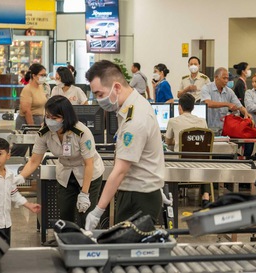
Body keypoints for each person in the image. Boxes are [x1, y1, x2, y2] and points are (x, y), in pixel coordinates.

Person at [84, 60, 165, 230]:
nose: (99, 100)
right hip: (140, 192)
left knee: (130, 252)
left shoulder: (134, 119)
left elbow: (121, 170)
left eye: (100, 94)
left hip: (138, 197)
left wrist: (98, 210)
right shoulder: (133, 106)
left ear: (117, 88)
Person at [18, 95, 105, 227]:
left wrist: (84, 193)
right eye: (47, 117)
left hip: (88, 175)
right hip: (65, 173)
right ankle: (68, 242)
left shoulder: (81, 132)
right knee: (65, 214)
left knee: (86, 216)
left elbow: (89, 164)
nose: (50, 121)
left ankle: (89, 243)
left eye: (55, 118)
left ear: (66, 116)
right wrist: (20, 177)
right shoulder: (45, 132)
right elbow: (34, 161)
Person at [0, 138, 41, 245]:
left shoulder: (9, 175)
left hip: (6, 222)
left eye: (0, 153)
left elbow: (14, 194)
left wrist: (28, 205)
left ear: (8, 156)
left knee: (5, 248)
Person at [165, 93, 210, 206]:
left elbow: (167, 141)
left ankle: (170, 196)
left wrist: (178, 140)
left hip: (180, 162)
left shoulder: (173, 121)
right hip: (199, 162)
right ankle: (206, 196)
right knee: (204, 162)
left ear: (179, 106)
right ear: (193, 107)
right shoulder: (202, 121)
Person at [12, 63, 48, 156]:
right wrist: (31, 127)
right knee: (20, 148)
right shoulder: (27, 89)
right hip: (27, 121)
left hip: (39, 120)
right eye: (42, 75)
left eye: (45, 75)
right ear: (34, 76)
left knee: (36, 149)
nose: (44, 77)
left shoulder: (41, 88)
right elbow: (26, 110)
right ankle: (13, 165)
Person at [201, 67, 252, 132]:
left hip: (223, 129)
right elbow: (207, 103)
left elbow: (240, 106)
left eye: (227, 78)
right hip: (208, 128)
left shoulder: (229, 91)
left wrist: (245, 113)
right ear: (216, 78)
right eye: (224, 78)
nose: (226, 81)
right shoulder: (206, 88)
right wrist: (227, 104)